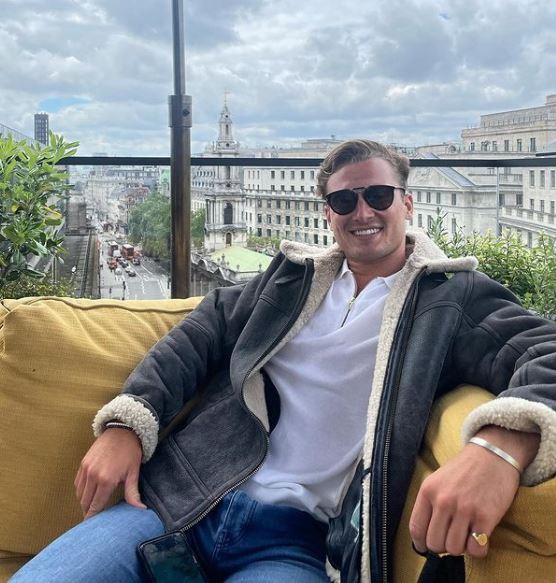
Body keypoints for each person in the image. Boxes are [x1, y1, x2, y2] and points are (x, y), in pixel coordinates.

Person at [10, 140, 556, 583]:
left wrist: (498, 448)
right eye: (344, 201)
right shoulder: (289, 277)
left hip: (295, 544)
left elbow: (545, 352)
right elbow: (200, 333)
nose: (362, 211)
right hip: (177, 501)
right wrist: (128, 424)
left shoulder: (452, 298)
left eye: (378, 195)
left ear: (407, 203)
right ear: (329, 213)